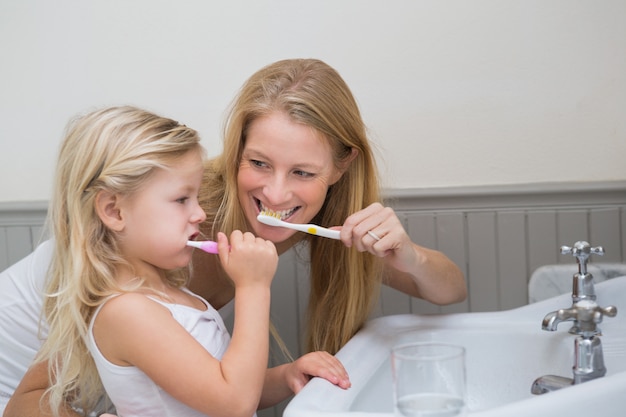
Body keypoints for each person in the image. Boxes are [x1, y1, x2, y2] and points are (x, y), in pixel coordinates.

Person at [4, 58, 465, 416]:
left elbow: (450, 290)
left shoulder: (320, 222)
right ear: (236, 150)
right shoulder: (170, 236)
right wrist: (253, 287)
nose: (276, 193)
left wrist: (407, 254)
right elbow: (26, 401)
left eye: (303, 172)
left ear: (340, 168)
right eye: (259, 163)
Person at [5, 106, 349, 417]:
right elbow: (234, 401)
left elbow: (226, 384)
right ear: (113, 210)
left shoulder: (174, 297)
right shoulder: (127, 312)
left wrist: (287, 376)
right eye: (181, 199)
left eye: (196, 197)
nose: (200, 213)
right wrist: (254, 287)